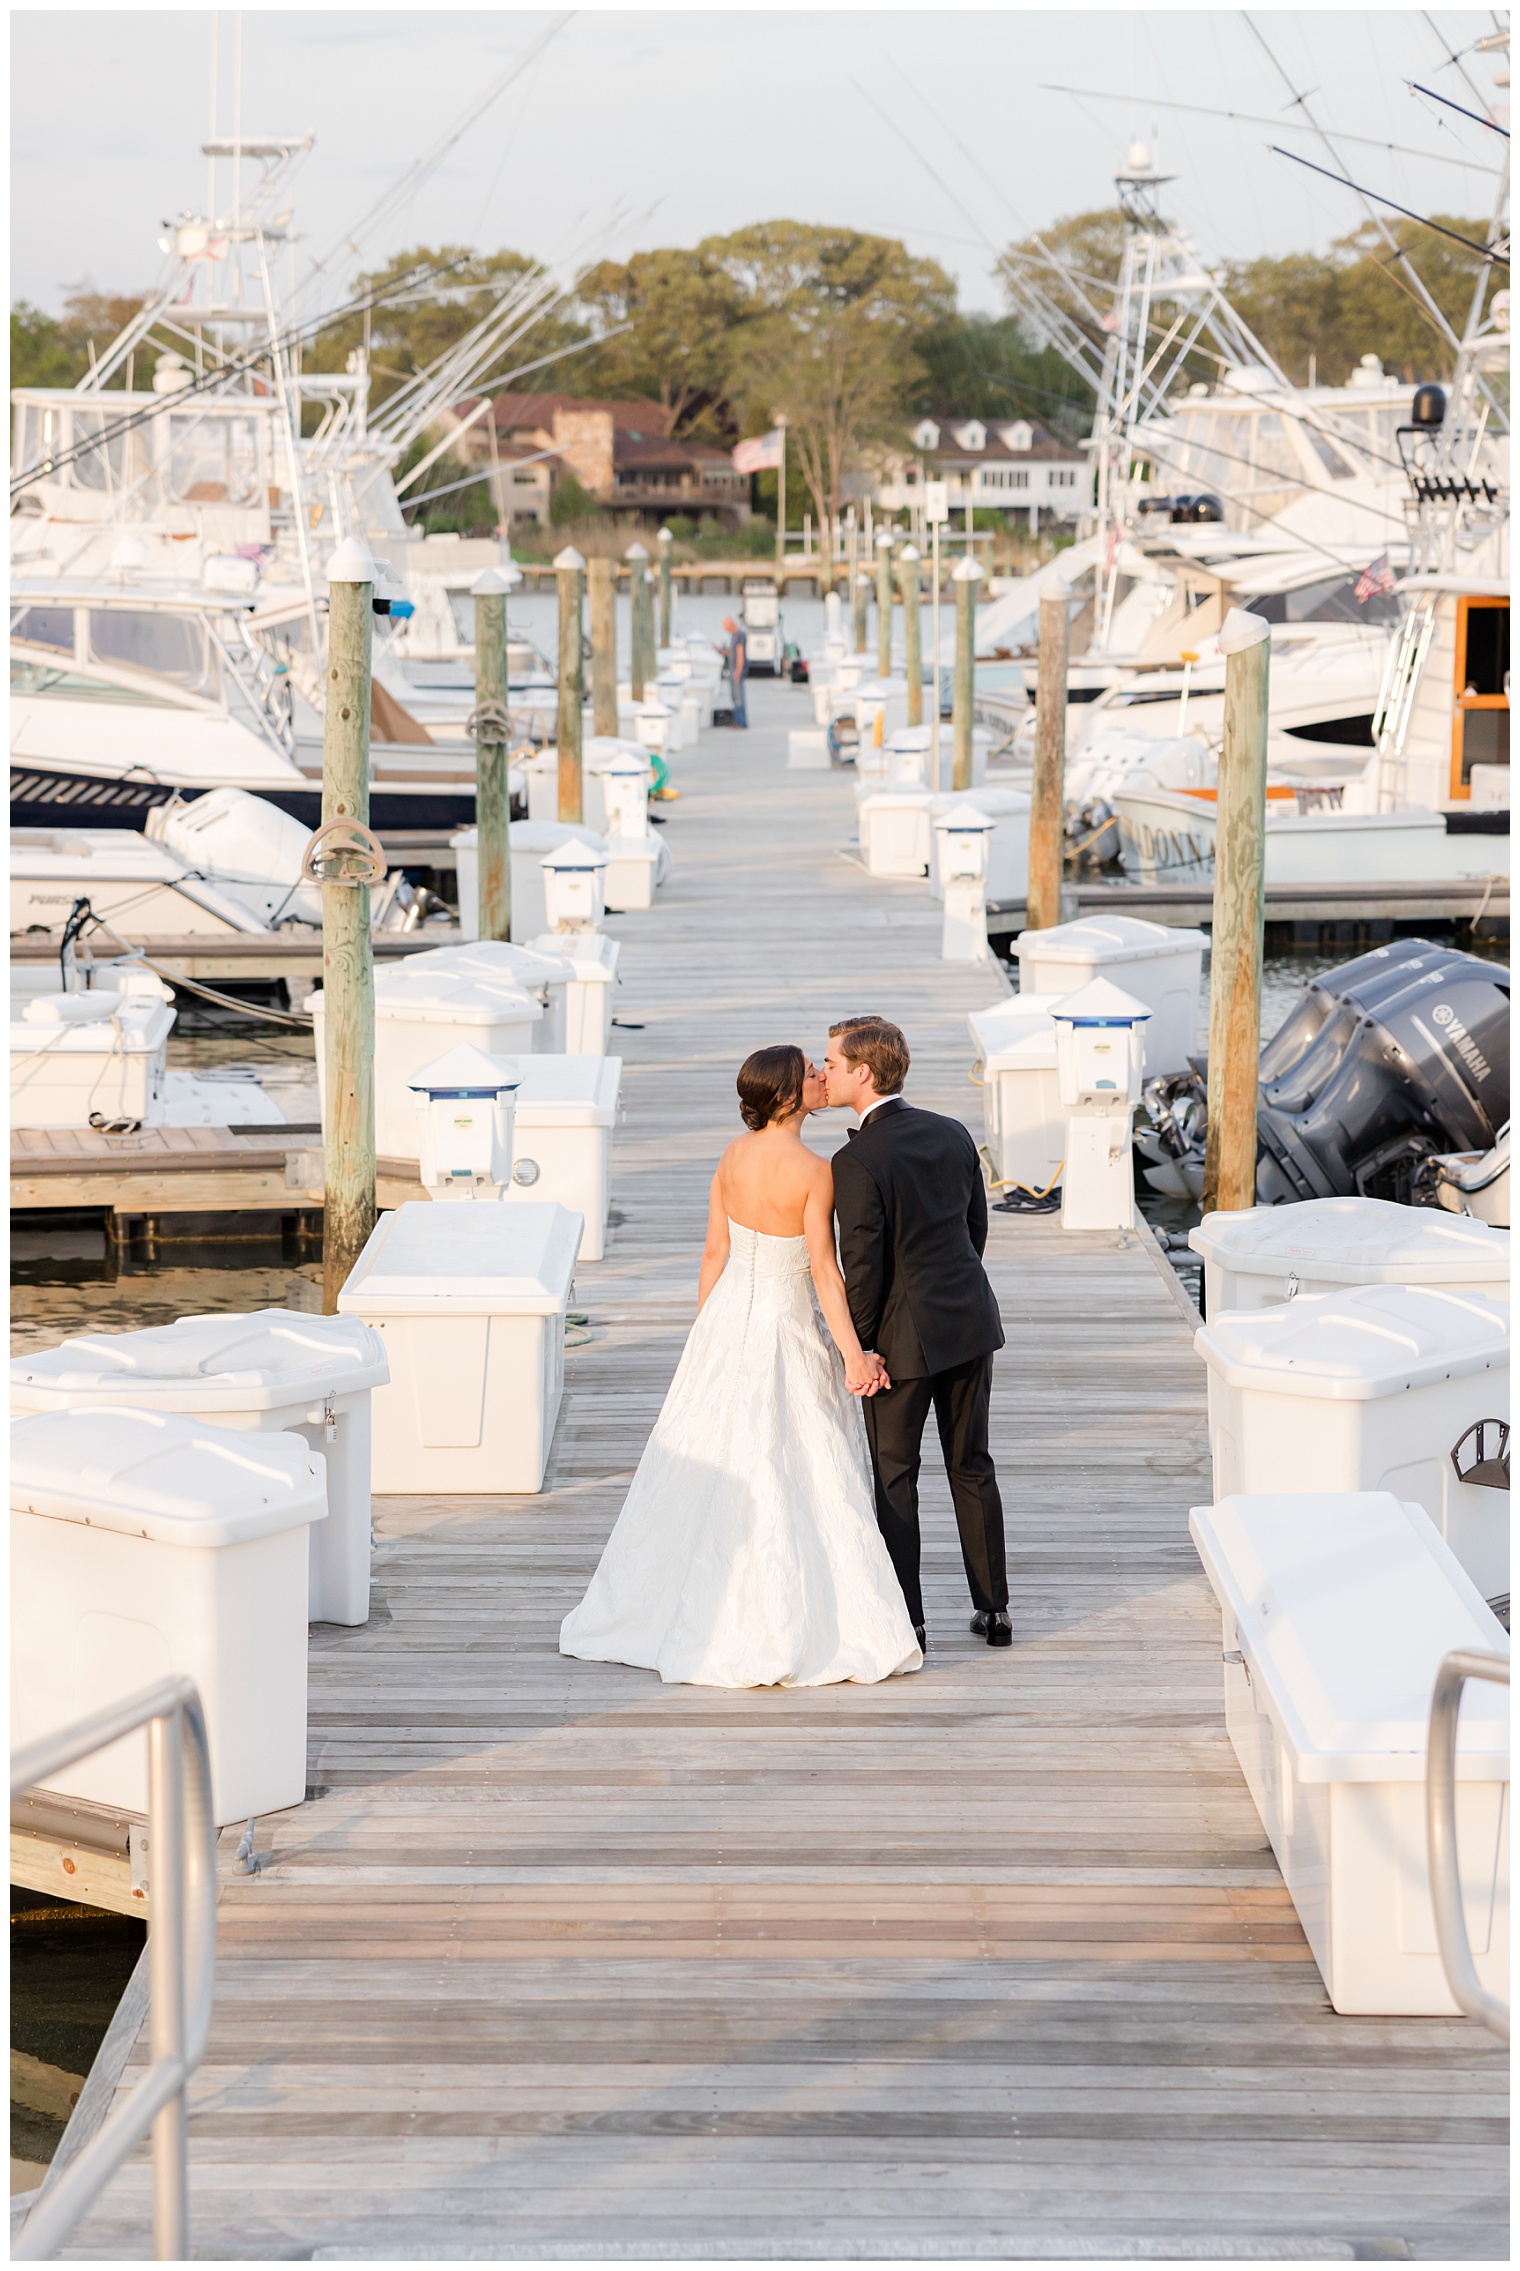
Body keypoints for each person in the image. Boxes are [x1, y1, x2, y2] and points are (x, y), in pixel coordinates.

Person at [560, 1045, 922, 1688]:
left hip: (726, 1319)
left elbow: (713, 1252)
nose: (820, 1078)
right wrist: (853, 1355)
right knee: (789, 1460)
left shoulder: (732, 1155)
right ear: (787, 1097)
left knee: (721, 1451)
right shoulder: (817, 1171)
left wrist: (706, 1335)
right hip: (784, 1323)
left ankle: (664, 1607)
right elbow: (823, 1272)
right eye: (810, 1074)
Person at [824, 1017, 1010, 1650]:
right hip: (969, 1322)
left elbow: (864, 1270)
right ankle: (995, 1611)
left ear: (863, 1072)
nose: (825, 1073)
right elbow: (974, 1230)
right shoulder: (954, 1132)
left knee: (896, 1477)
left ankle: (912, 1621)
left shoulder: (855, 1160)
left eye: (832, 1063)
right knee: (972, 1465)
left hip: (902, 1342)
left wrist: (863, 1347)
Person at [718, 615, 748, 728]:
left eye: (726, 627)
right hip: (734, 669)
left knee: (738, 696)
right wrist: (721, 651)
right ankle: (737, 720)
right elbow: (733, 653)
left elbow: (740, 654)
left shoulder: (739, 635)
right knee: (734, 696)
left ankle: (741, 722)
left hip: (737, 670)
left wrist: (738, 671)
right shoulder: (734, 636)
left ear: (731, 625)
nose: (726, 630)